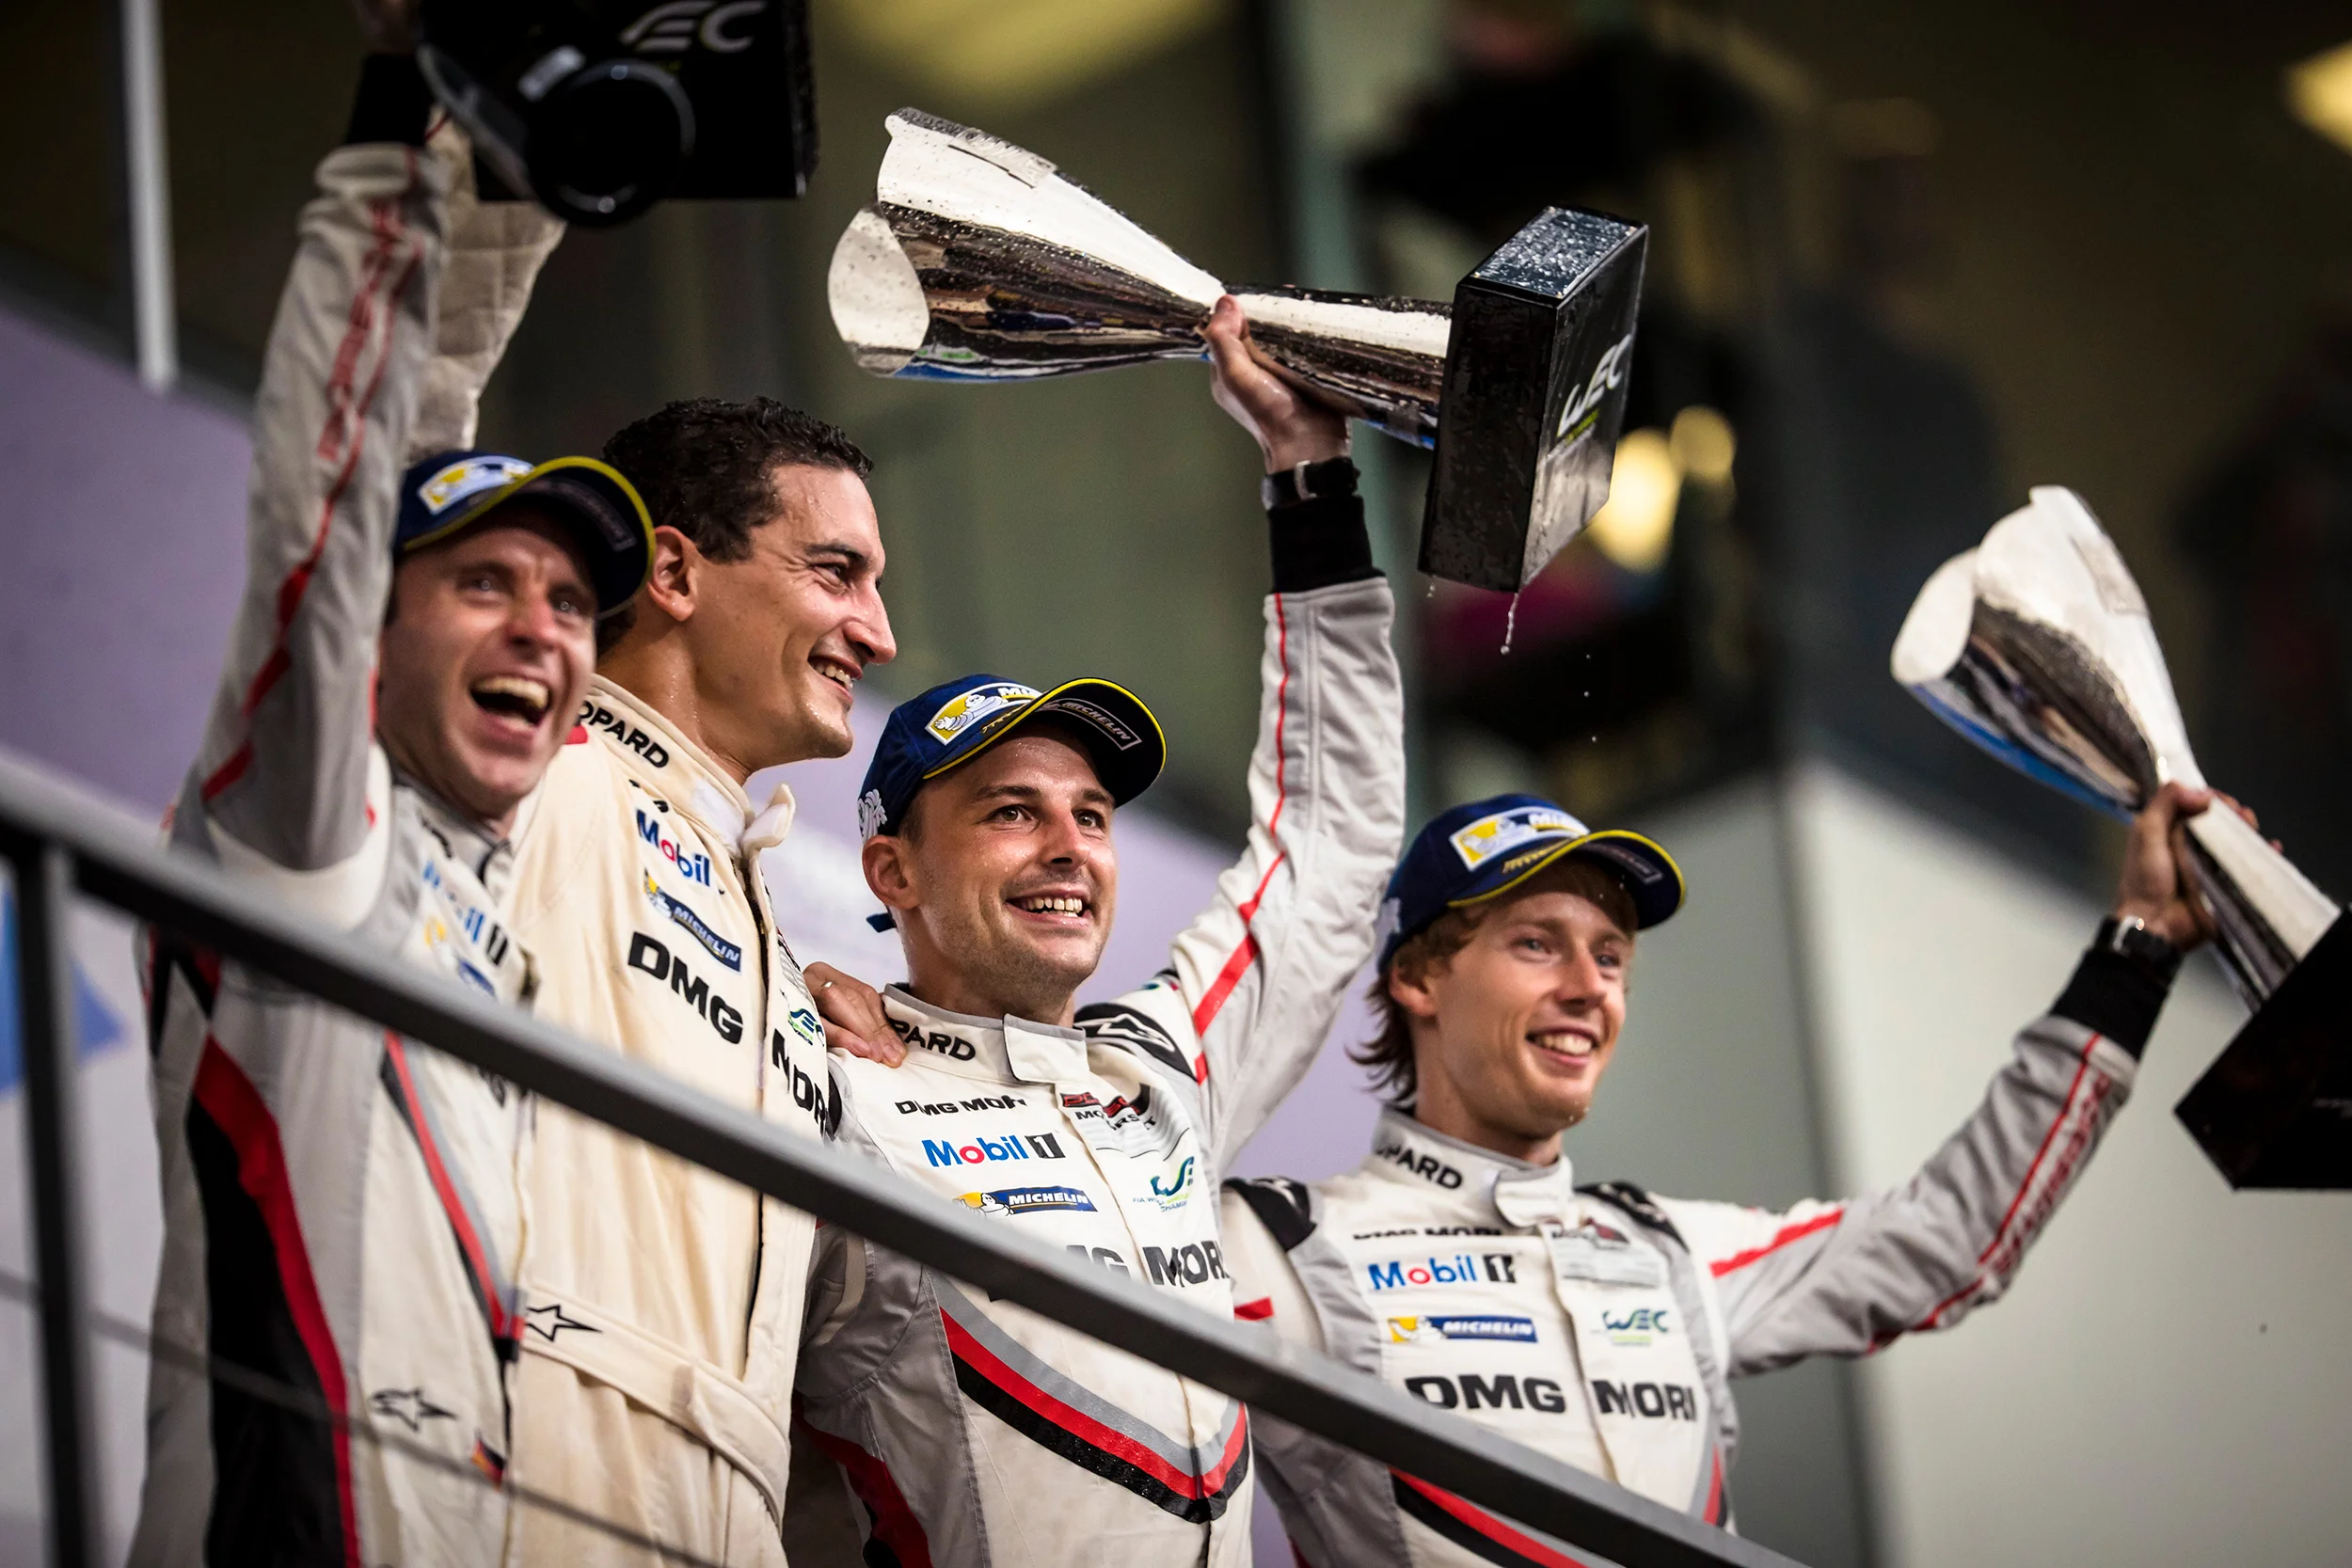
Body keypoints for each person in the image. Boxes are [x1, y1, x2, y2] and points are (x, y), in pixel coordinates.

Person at [132, 33, 653, 1566]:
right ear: (371, 634)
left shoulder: (494, 910)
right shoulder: (305, 837)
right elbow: (336, 494)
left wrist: (530, 168)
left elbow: (434, 410)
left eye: (569, 602)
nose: (543, 628)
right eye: (486, 581)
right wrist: (393, 145)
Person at [1222, 782, 2233, 1567]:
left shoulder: (1664, 1248)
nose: (1587, 988)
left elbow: (1953, 1238)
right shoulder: (1279, 1241)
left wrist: (2134, 954)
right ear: (1417, 975)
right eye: (1537, 943)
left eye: (1610, 956)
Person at [788, 298, 1405, 1567]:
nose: (1069, 844)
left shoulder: (1160, 1065)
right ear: (892, 867)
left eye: (1090, 812)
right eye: (1011, 811)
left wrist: (1312, 481)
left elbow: (1330, 841)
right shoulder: (821, 1081)